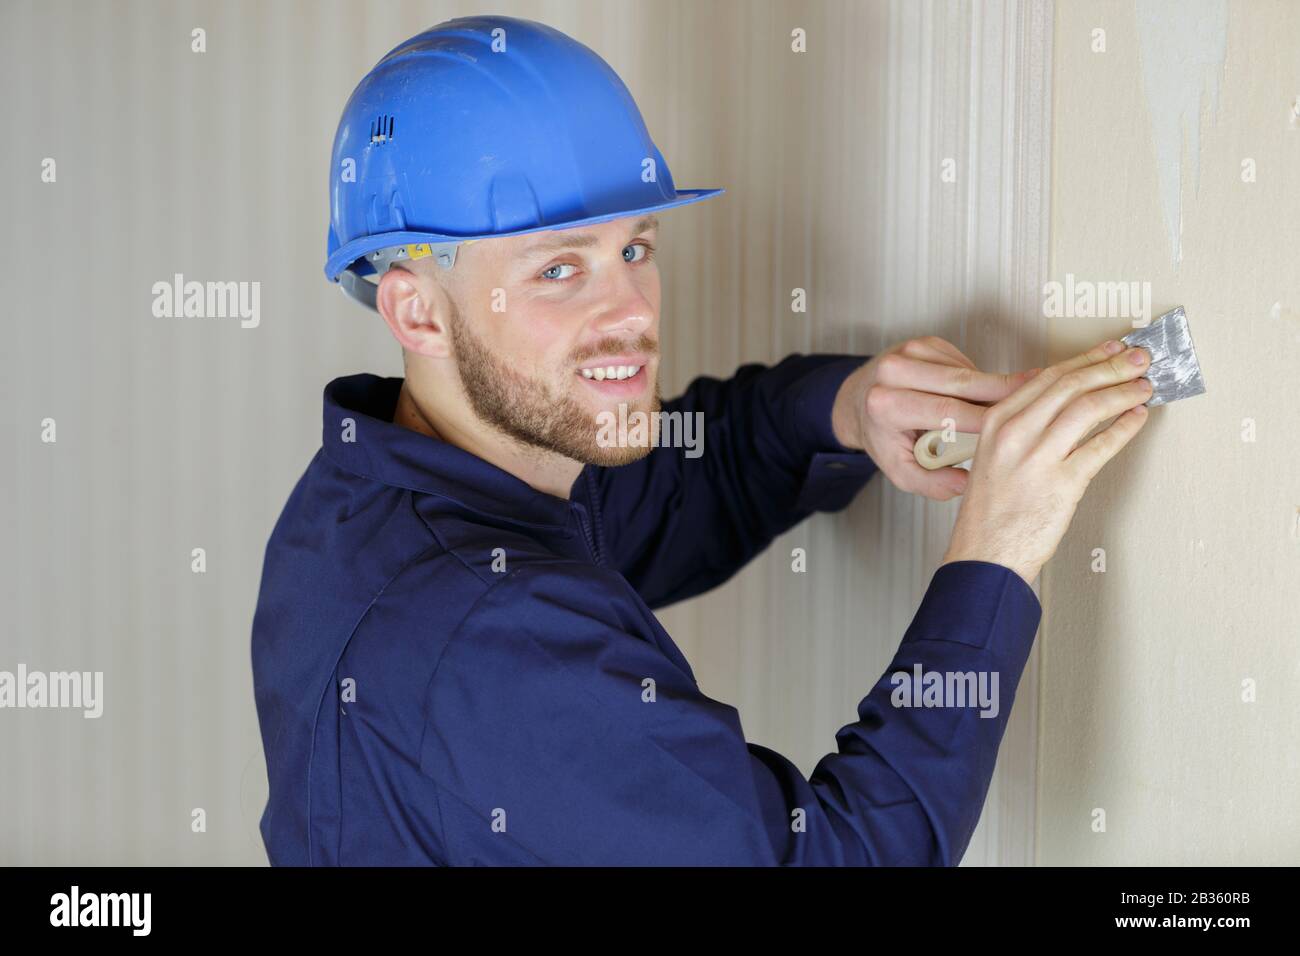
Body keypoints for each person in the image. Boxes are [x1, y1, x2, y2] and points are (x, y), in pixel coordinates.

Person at [251, 15, 1151, 866]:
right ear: (417, 310)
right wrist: (996, 554)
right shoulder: (495, 637)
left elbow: (676, 490)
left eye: (636, 249)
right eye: (559, 268)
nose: (630, 315)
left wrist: (844, 407)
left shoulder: (369, 502)